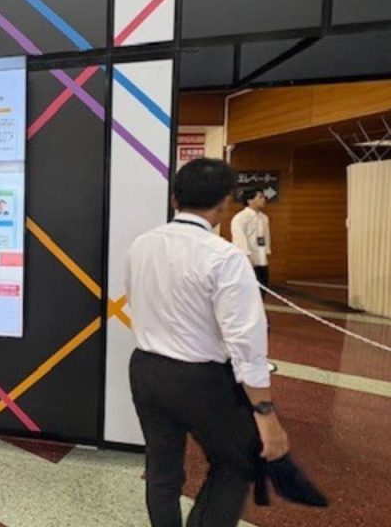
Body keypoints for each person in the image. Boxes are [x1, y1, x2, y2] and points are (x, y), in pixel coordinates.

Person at [125, 159, 289, 527]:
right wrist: (266, 414)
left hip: (146, 368)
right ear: (224, 203)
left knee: (162, 467)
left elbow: (135, 299)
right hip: (201, 377)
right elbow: (246, 342)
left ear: (174, 199)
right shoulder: (225, 256)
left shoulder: (141, 245)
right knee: (237, 461)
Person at [230, 187, 272, 295]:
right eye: (260, 197)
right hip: (247, 261)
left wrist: (266, 252)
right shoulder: (240, 218)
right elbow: (239, 240)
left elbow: (266, 237)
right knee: (247, 293)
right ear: (250, 200)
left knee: (262, 290)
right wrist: (247, 257)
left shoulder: (264, 218)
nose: (264, 200)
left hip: (261, 260)